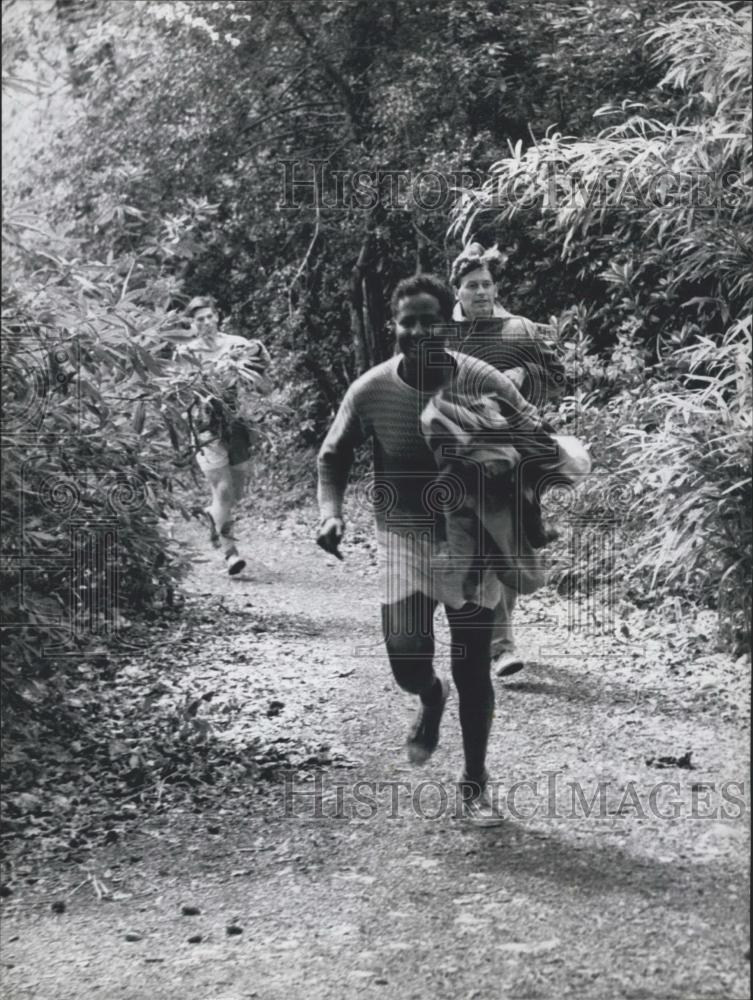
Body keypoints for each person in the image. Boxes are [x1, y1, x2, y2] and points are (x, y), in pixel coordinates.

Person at [315, 274, 560, 826]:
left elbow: (539, 441)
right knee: (406, 659)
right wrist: (331, 512)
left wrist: (496, 452)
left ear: (448, 324)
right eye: (409, 322)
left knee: (472, 665)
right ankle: (429, 696)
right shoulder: (372, 389)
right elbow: (333, 455)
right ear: (394, 327)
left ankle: (475, 783)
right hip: (404, 539)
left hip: (473, 542)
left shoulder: (480, 379)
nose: (420, 331)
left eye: (431, 320)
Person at [449, 243, 566, 677]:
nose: (481, 292)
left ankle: (497, 639)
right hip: (459, 458)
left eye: (487, 284)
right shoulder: (440, 334)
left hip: (516, 457)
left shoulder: (520, 330)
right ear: (456, 291)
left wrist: (525, 376)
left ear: (496, 287)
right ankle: (498, 644)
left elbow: (557, 376)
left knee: (511, 545)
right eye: (471, 286)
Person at [178, 296, 271, 576]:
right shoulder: (186, 352)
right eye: (200, 319)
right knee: (223, 490)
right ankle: (231, 553)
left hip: (238, 422)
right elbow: (181, 390)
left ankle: (213, 514)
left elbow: (261, 373)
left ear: (217, 316)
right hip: (205, 427)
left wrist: (257, 351)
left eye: (210, 316)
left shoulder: (236, 344)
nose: (206, 322)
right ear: (192, 324)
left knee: (237, 491)